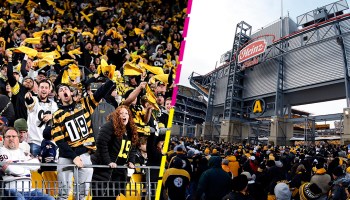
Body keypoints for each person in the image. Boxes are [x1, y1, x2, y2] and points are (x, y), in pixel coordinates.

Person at [51, 79, 115, 200]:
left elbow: (99, 93)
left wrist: (109, 81)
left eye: (66, 89)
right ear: (58, 96)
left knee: (82, 194)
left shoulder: (83, 104)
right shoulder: (57, 115)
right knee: (63, 194)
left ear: (71, 93)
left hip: (85, 154)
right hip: (66, 156)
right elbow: (60, 140)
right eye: (60, 90)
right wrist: (74, 157)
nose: (64, 90)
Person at [91, 105, 138, 199]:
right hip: (104, 171)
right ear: (117, 116)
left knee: (113, 196)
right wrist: (108, 161)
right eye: (121, 113)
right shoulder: (109, 126)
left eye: (126, 113)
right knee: (100, 196)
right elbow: (101, 143)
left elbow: (132, 147)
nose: (124, 115)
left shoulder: (130, 130)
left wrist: (131, 161)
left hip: (118, 172)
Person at [0, 127, 54, 200]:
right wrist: (26, 166)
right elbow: (8, 168)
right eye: (8, 136)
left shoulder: (23, 152)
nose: (11, 138)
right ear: (4, 139)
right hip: (11, 189)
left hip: (30, 190)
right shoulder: (2, 151)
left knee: (50, 199)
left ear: (18, 139)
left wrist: (17, 163)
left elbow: (36, 164)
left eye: (14, 136)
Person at [25, 79, 58, 157]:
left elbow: (58, 118)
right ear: (38, 89)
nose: (44, 89)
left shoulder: (54, 104)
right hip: (34, 141)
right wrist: (27, 97)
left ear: (49, 90)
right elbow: (30, 102)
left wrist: (52, 116)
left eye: (46, 88)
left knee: (48, 167)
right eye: (42, 87)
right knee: (34, 167)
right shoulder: (34, 99)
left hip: (49, 142)